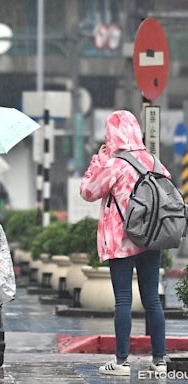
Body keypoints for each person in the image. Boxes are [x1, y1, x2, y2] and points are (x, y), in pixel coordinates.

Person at [80, 110, 168, 376]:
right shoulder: (153, 161)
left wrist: (99, 158)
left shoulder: (115, 164)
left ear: (111, 134)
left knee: (123, 301)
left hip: (122, 242)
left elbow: (87, 191)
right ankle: (160, 362)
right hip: (152, 239)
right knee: (153, 300)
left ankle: (121, 362)